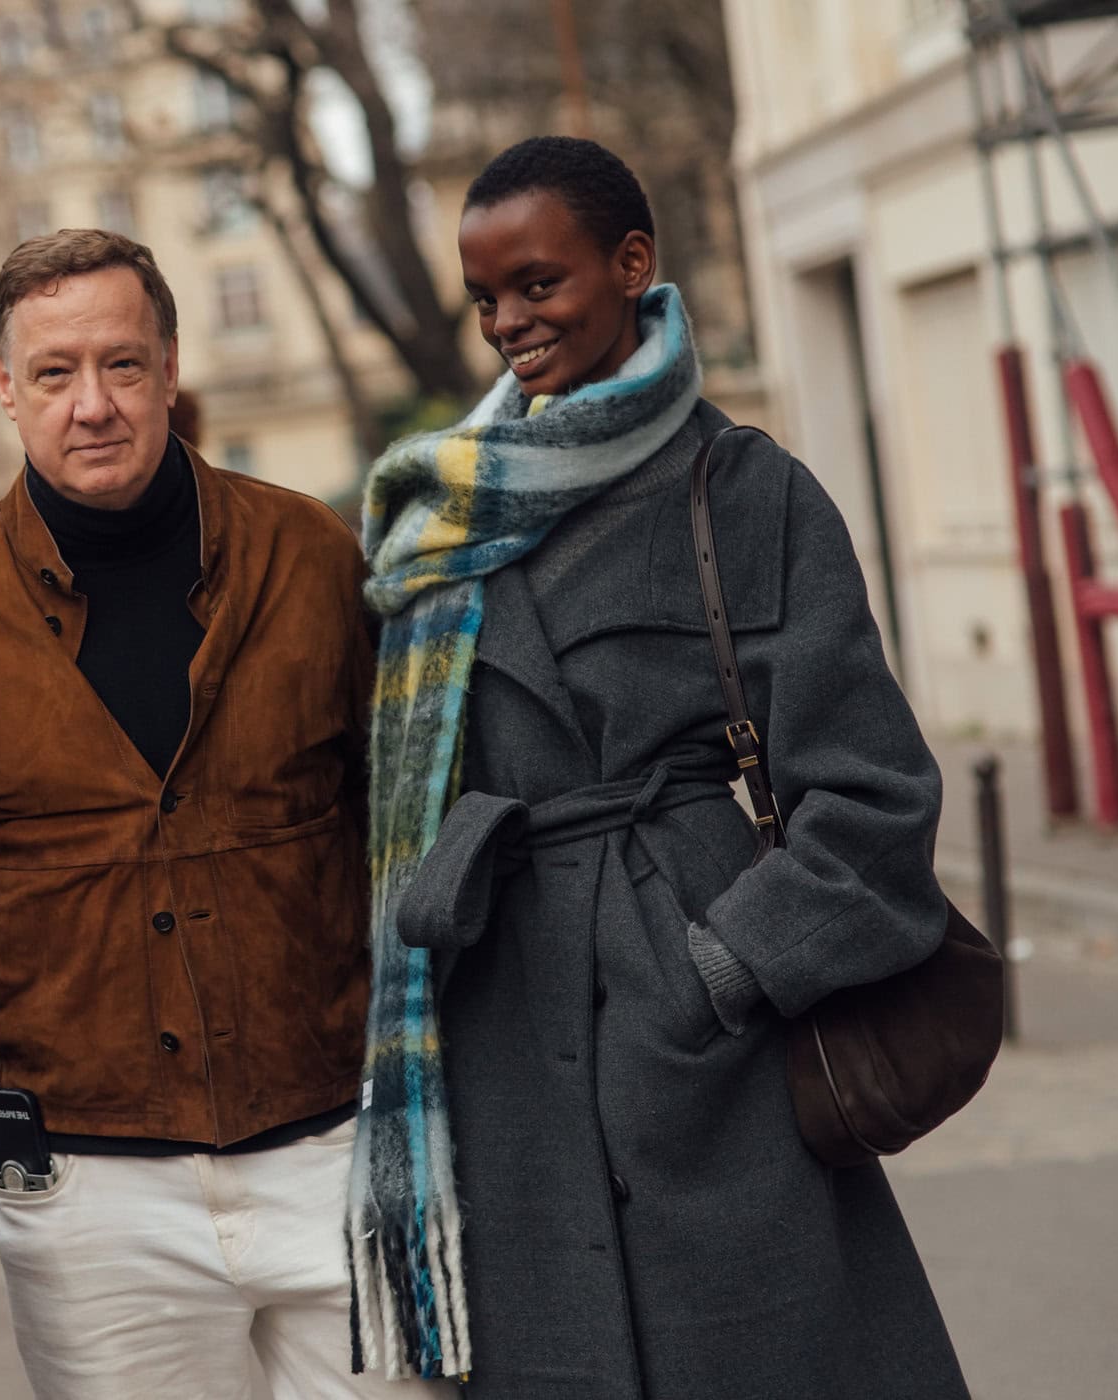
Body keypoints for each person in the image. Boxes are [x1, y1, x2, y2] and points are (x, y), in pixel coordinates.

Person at [359, 136, 969, 1397]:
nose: (507, 322)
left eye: (537, 283)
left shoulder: (744, 492)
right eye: (485, 299)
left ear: (633, 263)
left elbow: (876, 797)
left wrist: (717, 967)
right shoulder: (443, 519)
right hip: (509, 1041)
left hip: (716, 1058)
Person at [0, 228, 451, 1398]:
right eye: (54, 371)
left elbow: (389, 813)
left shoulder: (312, 554)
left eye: (123, 364)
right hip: (92, 1197)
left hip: (334, 1141)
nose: (93, 403)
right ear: (4, 387)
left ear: (171, 366)